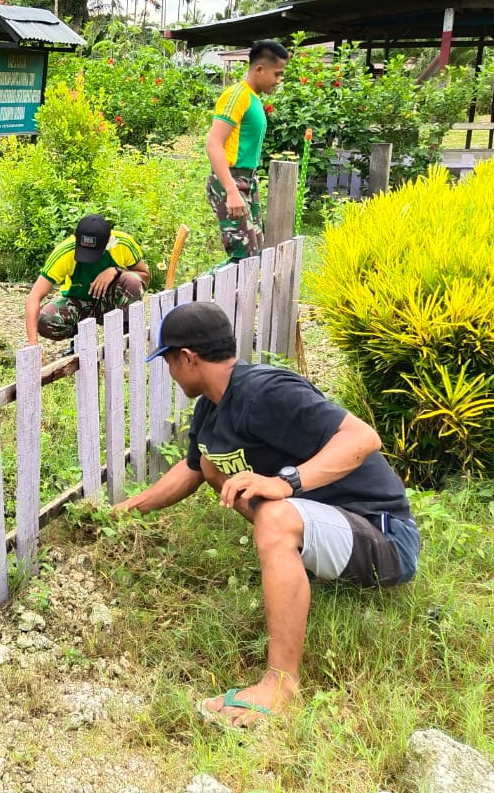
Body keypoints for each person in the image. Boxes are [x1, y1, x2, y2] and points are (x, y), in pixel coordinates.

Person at [115, 302, 419, 727]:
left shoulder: (265, 391)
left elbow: (363, 437)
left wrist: (286, 482)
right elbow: (191, 472)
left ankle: (280, 685)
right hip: (335, 525)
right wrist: (126, 510)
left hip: (384, 534)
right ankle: (298, 571)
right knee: (214, 467)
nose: (168, 371)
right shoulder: (211, 407)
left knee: (274, 514)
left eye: (167, 360)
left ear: (187, 357)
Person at [206, 39, 289, 263]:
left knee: (253, 253)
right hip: (231, 180)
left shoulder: (254, 99)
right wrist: (231, 191)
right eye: (277, 74)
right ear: (260, 69)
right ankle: (193, 296)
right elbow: (214, 143)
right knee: (243, 256)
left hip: (246, 181)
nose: (279, 81)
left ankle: (212, 296)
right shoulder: (237, 95)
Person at [25, 214, 150, 346]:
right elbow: (34, 297)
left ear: (108, 242)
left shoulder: (123, 243)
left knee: (132, 280)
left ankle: (124, 334)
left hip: (111, 303)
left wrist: (116, 270)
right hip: (79, 304)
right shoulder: (65, 252)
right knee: (46, 319)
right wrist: (33, 342)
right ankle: (82, 336)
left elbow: (144, 276)